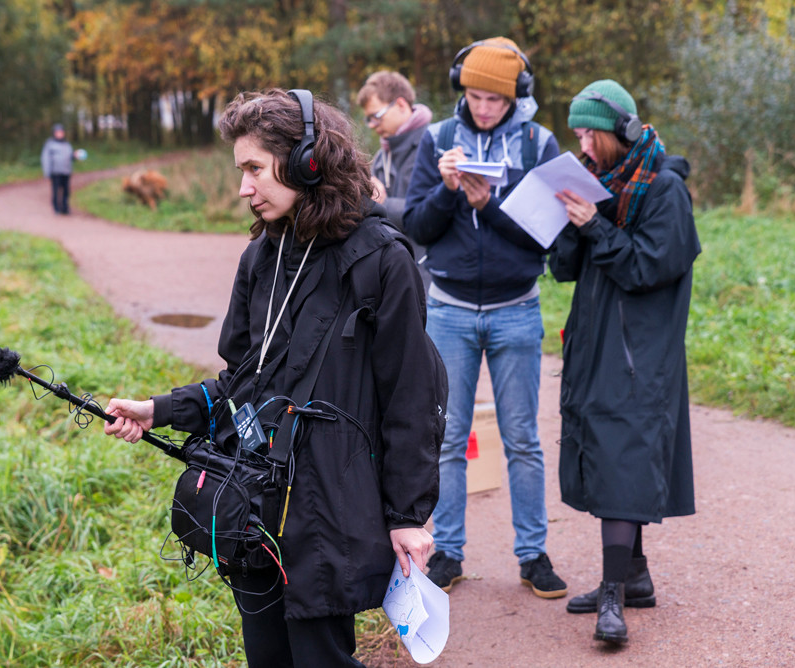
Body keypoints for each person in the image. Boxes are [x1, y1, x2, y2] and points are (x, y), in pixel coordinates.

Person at [103, 88, 444, 667]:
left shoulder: (382, 261)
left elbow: (412, 399)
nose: (244, 188)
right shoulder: (262, 255)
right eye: (241, 172)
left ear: (308, 160)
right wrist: (159, 410)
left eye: (255, 169)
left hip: (328, 516)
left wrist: (409, 515)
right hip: (254, 509)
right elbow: (243, 383)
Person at [403, 36, 568, 598]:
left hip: (516, 309)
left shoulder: (538, 143)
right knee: (446, 438)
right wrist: (450, 191)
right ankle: (447, 551)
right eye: (474, 96)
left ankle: (533, 555)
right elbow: (417, 228)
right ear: (461, 90)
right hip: (447, 311)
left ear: (517, 95)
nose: (483, 107)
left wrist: (487, 205)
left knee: (523, 438)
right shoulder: (438, 140)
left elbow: (544, 233)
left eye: (495, 99)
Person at [550, 79, 699, 644]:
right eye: (579, 135)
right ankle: (633, 578)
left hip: (640, 353)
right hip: (594, 343)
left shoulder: (664, 191)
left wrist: (595, 225)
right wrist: (566, 222)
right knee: (608, 456)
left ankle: (613, 598)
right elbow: (567, 269)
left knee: (622, 459)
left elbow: (646, 269)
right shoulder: (601, 184)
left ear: (623, 130)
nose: (584, 145)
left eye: (590, 132)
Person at [356, 70, 433, 289]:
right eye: (368, 118)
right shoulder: (382, 155)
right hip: (392, 273)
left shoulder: (433, 146)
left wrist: (381, 203)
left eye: (376, 116)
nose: (371, 125)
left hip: (428, 279)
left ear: (401, 104)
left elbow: (431, 215)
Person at [41, 123, 74, 214]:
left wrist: (75, 155)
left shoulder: (67, 144)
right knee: (56, 191)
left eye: (61, 132)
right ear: (54, 133)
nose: (60, 134)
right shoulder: (50, 144)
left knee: (66, 191)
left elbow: (70, 156)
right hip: (55, 172)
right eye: (58, 132)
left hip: (66, 172)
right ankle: (56, 208)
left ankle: (65, 208)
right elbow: (46, 159)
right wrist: (47, 173)